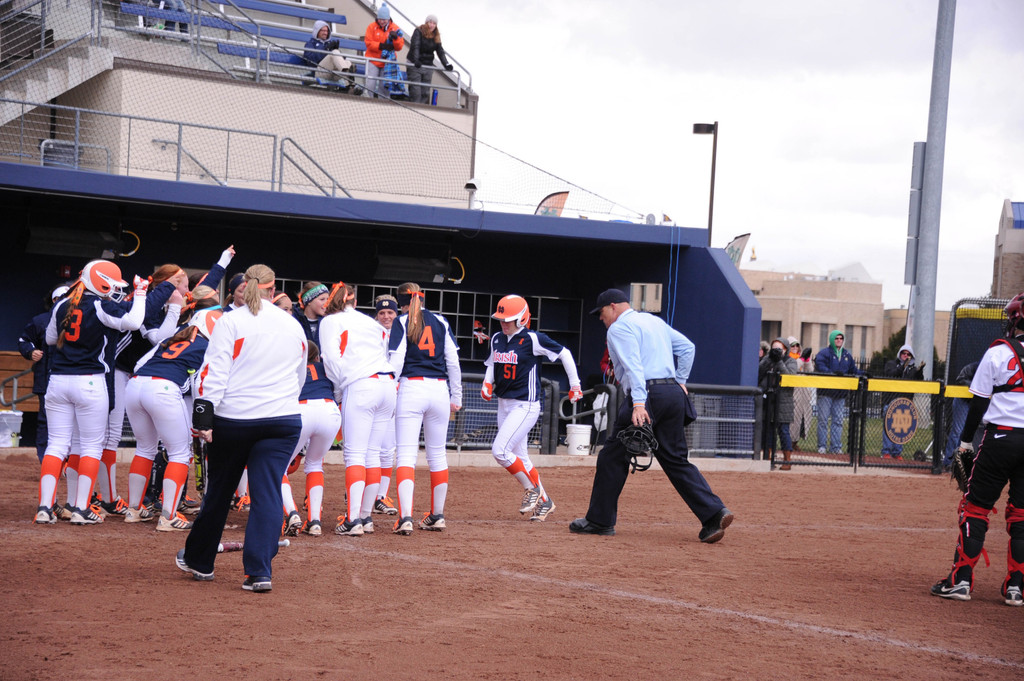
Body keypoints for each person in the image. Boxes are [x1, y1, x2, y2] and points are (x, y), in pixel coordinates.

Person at [175, 264, 306, 593]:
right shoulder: (292, 325)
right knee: (267, 493)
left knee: (219, 493)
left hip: (235, 419)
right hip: (283, 419)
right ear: (273, 290)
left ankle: (201, 561)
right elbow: (300, 375)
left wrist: (203, 417)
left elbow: (215, 369)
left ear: (244, 286)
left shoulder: (231, 321)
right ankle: (259, 571)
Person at [569, 289, 733, 542]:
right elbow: (688, 348)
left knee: (611, 457)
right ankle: (714, 513)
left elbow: (634, 367)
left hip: (646, 394)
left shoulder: (618, 328)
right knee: (675, 459)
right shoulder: (654, 321)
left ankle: (599, 521)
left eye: (601, 313)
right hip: (671, 394)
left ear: (613, 307)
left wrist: (638, 403)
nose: (601, 319)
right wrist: (679, 381)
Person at [33, 260, 149, 525]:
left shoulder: (62, 303)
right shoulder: (100, 305)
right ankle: (81, 508)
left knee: (57, 444)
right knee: (90, 447)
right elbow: (134, 321)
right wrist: (141, 293)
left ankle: (44, 507)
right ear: (100, 281)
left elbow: (50, 339)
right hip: (90, 382)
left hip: (58, 382)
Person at [930, 293, 1024, 607]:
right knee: (1022, 515)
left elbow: (980, 402)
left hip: (1000, 439)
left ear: (1016, 319)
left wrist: (966, 441)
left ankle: (961, 580)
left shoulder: (1000, 351)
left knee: (975, 508)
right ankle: (1016, 587)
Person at [482, 294, 582, 521]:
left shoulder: (532, 339)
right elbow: (492, 363)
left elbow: (564, 353)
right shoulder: (497, 337)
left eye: (508, 320)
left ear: (522, 319)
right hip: (504, 403)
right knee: (521, 457)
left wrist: (575, 385)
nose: (503, 323)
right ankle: (545, 501)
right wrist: (487, 382)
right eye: (501, 319)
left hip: (525, 405)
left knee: (500, 451)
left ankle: (532, 489)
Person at [124, 308, 223, 530]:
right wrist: (204, 419)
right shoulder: (209, 347)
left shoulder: (171, 339)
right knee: (180, 453)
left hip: (136, 385)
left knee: (144, 449)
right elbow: (201, 385)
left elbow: (139, 364)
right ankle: (168, 516)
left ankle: (133, 509)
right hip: (165, 389)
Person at [318, 283, 397, 536]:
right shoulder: (371, 323)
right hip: (387, 384)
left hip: (361, 385)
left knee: (354, 455)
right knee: (372, 454)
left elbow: (330, 358)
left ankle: (353, 519)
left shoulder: (330, 321)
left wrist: (339, 391)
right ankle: (364, 517)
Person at [388, 282, 462, 534]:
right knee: (438, 455)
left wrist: (388, 389)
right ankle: (437, 515)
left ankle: (405, 516)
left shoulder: (401, 321)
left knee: (407, 454)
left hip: (411, 387)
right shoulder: (440, 321)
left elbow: (396, 359)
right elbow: (453, 361)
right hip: (439, 390)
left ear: (401, 302)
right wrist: (457, 395)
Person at [283, 340, 341, 537]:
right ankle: (314, 521)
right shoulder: (325, 366)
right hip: (329, 409)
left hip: (302, 410)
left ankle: (292, 513)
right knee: (315, 464)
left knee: (278, 467)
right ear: (317, 356)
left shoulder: (291, 366)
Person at [18, 285, 69, 462]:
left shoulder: (80, 320)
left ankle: (68, 461)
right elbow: (24, 340)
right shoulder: (41, 321)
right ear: (53, 301)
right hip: (46, 380)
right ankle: (46, 459)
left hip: (72, 380)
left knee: (71, 422)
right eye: (60, 298)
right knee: (46, 421)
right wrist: (30, 351)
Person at [372, 294, 400, 515]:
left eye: (390, 312)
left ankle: (381, 495)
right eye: (382, 312)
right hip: (373, 390)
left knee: (388, 447)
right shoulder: (370, 332)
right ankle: (362, 488)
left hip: (395, 392)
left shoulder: (404, 332)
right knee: (364, 446)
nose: (386, 316)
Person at [813, 330, 859, 454]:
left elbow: (853, 369)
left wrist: (863, 374)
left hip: (840, 393)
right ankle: (822, 446)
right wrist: (832, 373)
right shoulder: (824, 353)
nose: (839, 340)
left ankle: (836, 447)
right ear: (832, 339)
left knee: (838, 421)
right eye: (836, 338)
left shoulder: (846, 355)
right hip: (825, 392)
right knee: (823, 420)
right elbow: (820, 365)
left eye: (841, 338)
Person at [880, 343, 925, 459]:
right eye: (903, 353)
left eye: (908, 354)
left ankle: (897, 452)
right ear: (900, 354)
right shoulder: (891, 364)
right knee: (889, 427)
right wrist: (902, 367)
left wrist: (920, 371)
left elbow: (920, 380)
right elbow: (891, 374)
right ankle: (886, 451)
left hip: (904, 403)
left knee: (901, 428)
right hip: (891, 400)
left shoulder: (912, 369)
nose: (905, 355)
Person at [759, 338, 798, 470]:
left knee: (783, 431)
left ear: (785, 350)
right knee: (768, 431)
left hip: (783, 402)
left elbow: (789, 377)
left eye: (779, 349)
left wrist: (779, 361)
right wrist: (770, 359)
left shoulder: (791, 361)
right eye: (774, 348)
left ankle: (787, 460)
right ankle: (768, 459)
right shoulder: (767, 359)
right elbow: (758, 372)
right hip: (768, 401)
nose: (776, 351)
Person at [406, 14, 453, 105]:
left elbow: (440, 51)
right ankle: (414, 110)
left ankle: (422, 110)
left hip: (428, 66)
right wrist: (416, 60)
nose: (431, 25)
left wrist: (446, 64)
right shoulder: (418, 31)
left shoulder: (436, 35)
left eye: (434, 23)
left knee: (425, 92)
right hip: (415, 65)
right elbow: (415, 46)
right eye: (430, 22)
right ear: (426, 23)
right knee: (416, 92)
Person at [943, 361, 979, 471]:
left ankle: (961, 462)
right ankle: (948, 462)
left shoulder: (993, 372)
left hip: (976, 402)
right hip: (962, 400)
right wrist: (975, 387)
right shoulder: (972, 367)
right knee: (957, 431)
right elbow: (960, 380)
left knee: (970, 432)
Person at [364, 4, 405, 99]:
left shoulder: (395, 28)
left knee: (385, 87)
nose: (382, 21)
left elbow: (399, 47)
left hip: (387, 62)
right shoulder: (371, 27)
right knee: (370, 84)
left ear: (388, 18)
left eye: (384, 19)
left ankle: (383, 105)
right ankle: (367, 102)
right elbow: (368, 43)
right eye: (380, 19)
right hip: (373, 60)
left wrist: (396, 39)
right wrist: (381, 46)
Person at [303, 20, 355, 90]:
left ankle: (348, 81)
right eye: (323, 31)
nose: (325, 33)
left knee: (348, 62)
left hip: (333, 73)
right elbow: (311, 60)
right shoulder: (310, 44)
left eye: (327, 31)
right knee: (334, 52)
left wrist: (337, 50)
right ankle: (347, 77)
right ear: (317, 31)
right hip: (319, 72)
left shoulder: (329, 44)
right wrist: (326, 50)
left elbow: (342, 59)